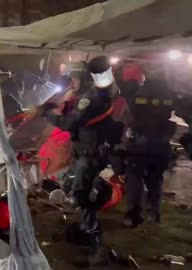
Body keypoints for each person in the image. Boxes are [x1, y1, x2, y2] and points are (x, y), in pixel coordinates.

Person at [46, 56, 124, 265]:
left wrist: (49, 113)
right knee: (82, 184)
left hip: (90, 153)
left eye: (74, 78)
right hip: (99, 150)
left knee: (80, 194)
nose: (71, 82)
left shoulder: (89, 99)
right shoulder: (108, 89)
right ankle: (89, 217)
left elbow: (70, 124)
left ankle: (94, 238)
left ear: (83, 78)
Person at [122, 78, 191, 227]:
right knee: (155, 179)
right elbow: (184, 110)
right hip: (161, 144)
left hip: (139, 145)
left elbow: (127, 114)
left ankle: (133, 215)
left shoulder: (136, 93)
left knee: (134, 179)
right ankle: (153, 214)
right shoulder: (168, 94)